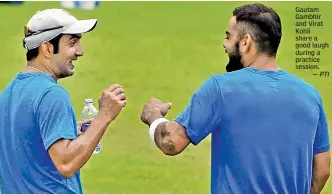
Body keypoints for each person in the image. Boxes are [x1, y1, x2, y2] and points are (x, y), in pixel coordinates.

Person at [140, 3, 330, 194]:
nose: (224, 44)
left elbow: (171, 142)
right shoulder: (311, 96)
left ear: (246, 42)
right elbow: (322, 169)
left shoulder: (221, 88)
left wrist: (154, 118)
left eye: (229, 37)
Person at [0, 9, 126, 193]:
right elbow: (66, 164)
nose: (80, 51)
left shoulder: (7, 94)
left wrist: (67, 131)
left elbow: (0, 164)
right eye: (72, 43)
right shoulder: (52, 94)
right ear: (47, 48)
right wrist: (104, 115)